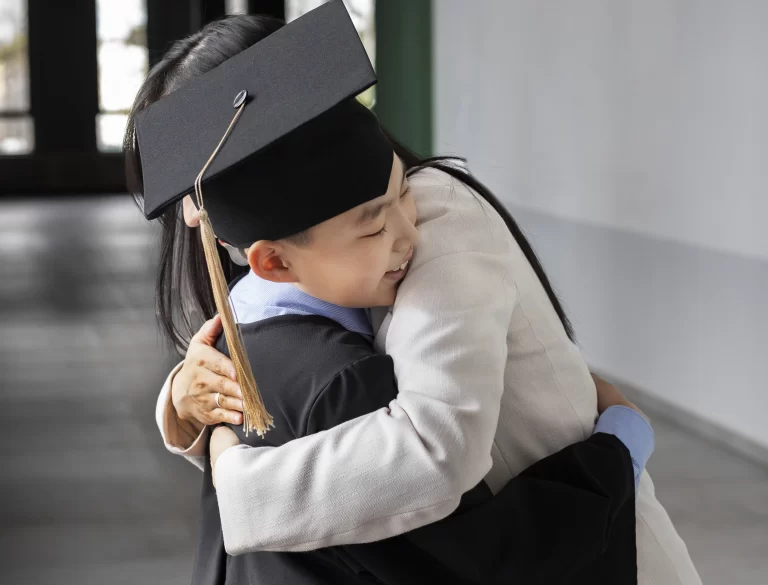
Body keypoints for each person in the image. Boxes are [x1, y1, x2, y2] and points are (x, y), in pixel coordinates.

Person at [130, 3, 698, 584]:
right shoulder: (283, 267)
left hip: (594, 539)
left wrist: (237, 479)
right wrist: (180, 405)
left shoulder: (435, 215)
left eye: (397, 200)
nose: (407, 233)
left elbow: (437, 446)